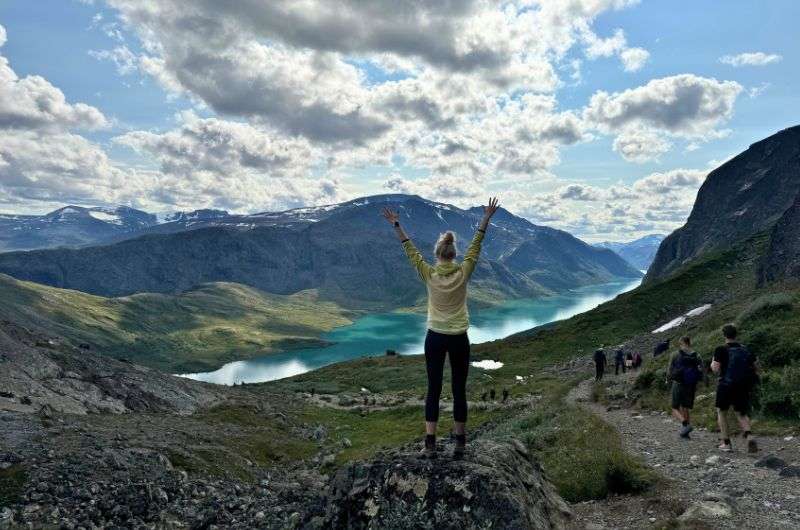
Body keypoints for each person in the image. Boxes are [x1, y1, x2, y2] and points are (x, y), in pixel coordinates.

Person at [383, 197, 500, 459]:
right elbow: (476, 246)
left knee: (433, 389)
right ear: (454, 254)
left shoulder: (428, 273)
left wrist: (396, 224)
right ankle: (460, 443)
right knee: (459, 388)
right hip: (459, 337)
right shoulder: (464, 271)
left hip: (435, 337)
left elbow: (409, 249)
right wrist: (485, 219)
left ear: (437, 255)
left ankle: (430, 444)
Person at [711, 324, 759, 453]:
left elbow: (715, 369)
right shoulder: (745, 349)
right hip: (742, 385)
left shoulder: (720, 349)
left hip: (725, 385)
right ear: (736, 334)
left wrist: (712, 362)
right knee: (741, 412)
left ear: (724, 335)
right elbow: (756, 366)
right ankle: (749, 436)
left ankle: (726, 443)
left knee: (722, 412)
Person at [666, 336, 704, 439]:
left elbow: (669, 370)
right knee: (685, 407)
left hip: (678, 383)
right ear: (689, 342)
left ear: (682, 342)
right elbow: (701, 370)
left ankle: (685, 424)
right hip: (691, 384)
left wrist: (668, 380)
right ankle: (686, 433)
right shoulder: (697, 355)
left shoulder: (675, 354)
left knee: (674, 407)